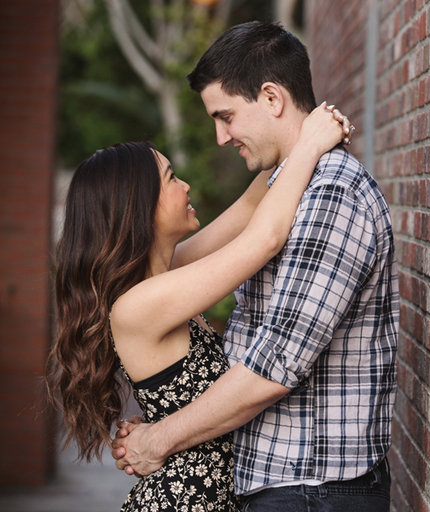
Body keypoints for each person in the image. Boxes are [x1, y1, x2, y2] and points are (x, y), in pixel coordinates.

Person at [111, 20, 400, 512]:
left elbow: (276, 366)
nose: (221, 137)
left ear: (271, 98)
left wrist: (158, 438)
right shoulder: (290, 187)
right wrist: (307, 143)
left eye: (226, 116)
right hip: (287, 486)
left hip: (310, 490)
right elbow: (257, 226)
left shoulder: (328, 193)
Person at [47, 103, 350, 512]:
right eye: (171, 178)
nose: (185, 186)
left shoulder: (167, 275)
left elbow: (248, 209)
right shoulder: (139, 305)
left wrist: (293, 128)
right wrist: (312, 143)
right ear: (139, 204)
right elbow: (263, 239)